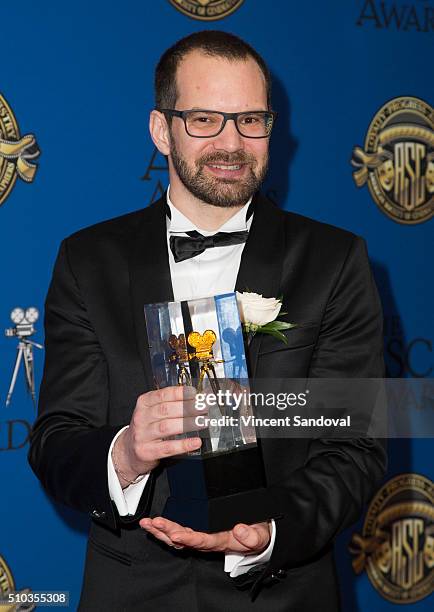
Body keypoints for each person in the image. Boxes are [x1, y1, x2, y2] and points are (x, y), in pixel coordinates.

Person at [29, 30, 386, 611]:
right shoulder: (87, 260)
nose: (231, 142)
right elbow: (56, 440)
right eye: (203, 119)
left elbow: (355, 449)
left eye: (250, 119)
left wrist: (269, 531)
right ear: (160, 129)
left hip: (280, 593)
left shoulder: (334, 261)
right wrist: (125, 453)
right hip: (130, 593)